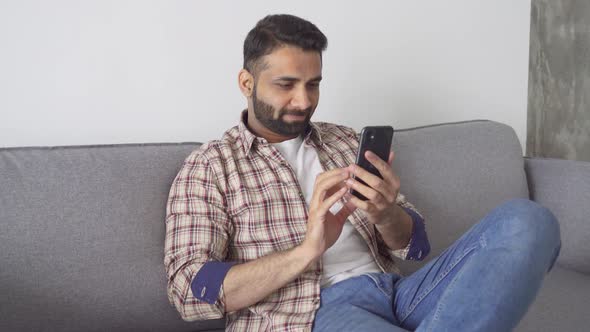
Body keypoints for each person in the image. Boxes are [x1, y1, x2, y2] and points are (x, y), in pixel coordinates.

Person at [164, 14, 561, 332]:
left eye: (313, 84)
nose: (303, 101)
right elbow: (188, 291)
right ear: (246, 82)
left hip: (399, 293)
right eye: (286, 85)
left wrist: (387, 212)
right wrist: (308, 250)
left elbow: (415, 248)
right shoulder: (210, 167)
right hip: (310, 313)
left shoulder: (344, 141)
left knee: (528, 221)